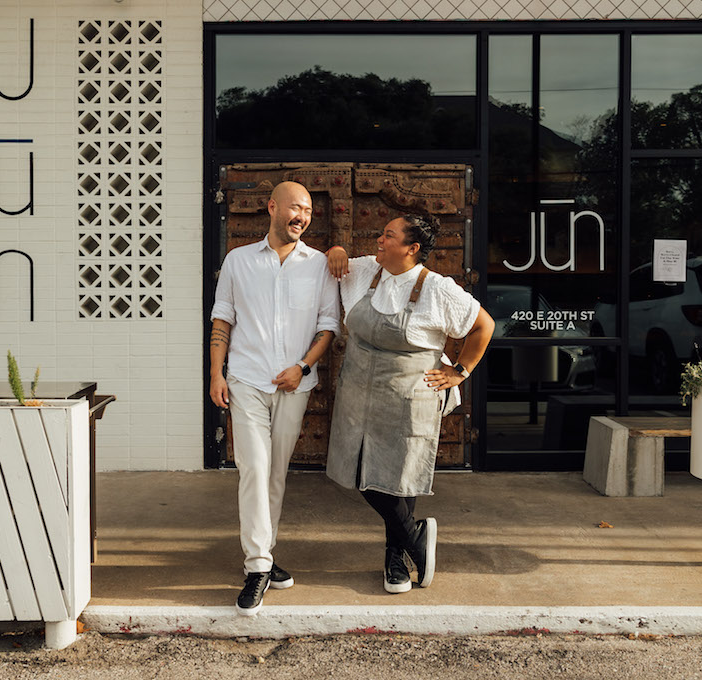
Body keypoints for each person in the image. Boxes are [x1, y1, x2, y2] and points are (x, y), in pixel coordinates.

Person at [325, 214, 494, 594]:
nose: (378, 240)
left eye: (388, 235)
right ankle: (415, 535)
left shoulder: (437, 289)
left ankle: (395, 555)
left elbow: (484, 326)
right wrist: (335, 251)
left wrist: (460, 371)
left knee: (400, 475)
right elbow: (333, 263)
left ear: (412, 248)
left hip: (407, 395)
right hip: (358, 392)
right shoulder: (365, 270)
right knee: (363, 476)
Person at [209, 181, 340, 616]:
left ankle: (263, 550)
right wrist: (215, 373)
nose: (301, 215)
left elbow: (328, 325)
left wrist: (302, 367)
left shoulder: (320, 264)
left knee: (276, 474)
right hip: (245, 380)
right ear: (272, 208)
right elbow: (222, 319)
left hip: (294, 385)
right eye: (293, 207)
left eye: (307, 210)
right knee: (254, 468)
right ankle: (258, 566)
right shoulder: (238, 261)